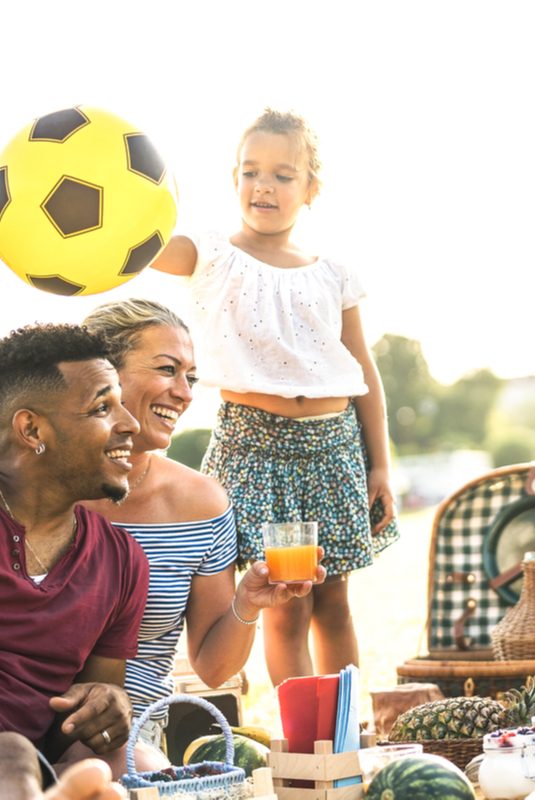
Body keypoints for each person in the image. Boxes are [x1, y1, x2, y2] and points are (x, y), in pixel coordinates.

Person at [149, 108, 399, 685]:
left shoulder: (333, 273)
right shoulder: (210, 255)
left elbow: (364, 372)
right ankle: (309, 749)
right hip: (255, 449)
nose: (264, 185)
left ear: (311, 189)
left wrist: (380, 462)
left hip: (333, 450)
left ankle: (346, 737)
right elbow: (146, 248)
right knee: (287, 606)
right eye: (250, 171)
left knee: (334, 604)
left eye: (283, 175)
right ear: (233, 178)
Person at [79, 299, 326, 749]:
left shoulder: (201, 504)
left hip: (134, 744)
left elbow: (213, 668)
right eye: (167, 370)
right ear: (102, 372)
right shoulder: (37, 489)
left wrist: (248, 603)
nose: (186, 393)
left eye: (190, 378)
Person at [0, 324, 149, 791]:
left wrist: (110, 704)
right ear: (32, 429)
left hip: (47, 769)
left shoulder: (121, 561)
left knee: (115, 761)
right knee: (13, 752)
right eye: (103, 407)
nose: (130, 424)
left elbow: (97, 692)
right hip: (13, 762)